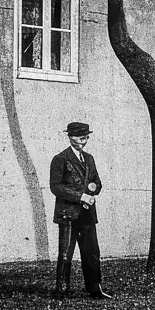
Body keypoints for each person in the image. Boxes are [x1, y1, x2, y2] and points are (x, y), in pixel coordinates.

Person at [48, 120, 111, 300]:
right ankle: (62, 290)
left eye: (86, 138)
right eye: (80, 138)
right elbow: (55, 187)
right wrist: (81, 196)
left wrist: (93, 187)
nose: (84, 141)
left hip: (87, 214)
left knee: (92, 253)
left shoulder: (89, 158)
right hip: (68, 214)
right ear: (70, 137)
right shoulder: (60, 159)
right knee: (66, 253)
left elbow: (97, 183)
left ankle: (95, 289)